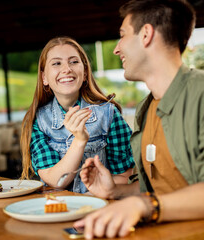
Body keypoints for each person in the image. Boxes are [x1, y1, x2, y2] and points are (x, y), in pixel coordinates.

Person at [73, 0, 204, 238]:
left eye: (122, 35)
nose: (116, 49)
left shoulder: (201, 94)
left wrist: (143, 206)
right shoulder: (146, 108)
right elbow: (162, 186)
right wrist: (116, 192)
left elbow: (155, 201)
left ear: (146, 34)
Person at [20, 36, 135, 193]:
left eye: (74, 61)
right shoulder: (37, 121)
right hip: (57, 210)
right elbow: (55, 181)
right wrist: (79, 140)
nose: (67, 69)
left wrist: (90, 198)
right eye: (56, 63)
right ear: (44, 77)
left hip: (98, 208)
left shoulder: (109, 114)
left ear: (85, 73)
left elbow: (123, 176)